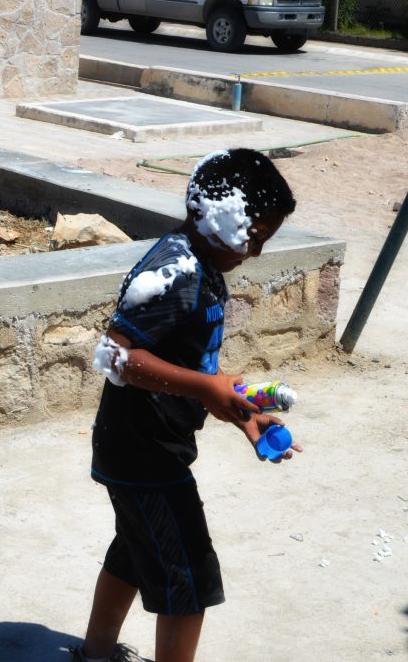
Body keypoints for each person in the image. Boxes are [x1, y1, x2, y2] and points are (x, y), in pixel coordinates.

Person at [71, 148, 303, 662]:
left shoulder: (198, 261)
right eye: (255, 237)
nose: (256, 252)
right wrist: (205, 389)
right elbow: (116, 355)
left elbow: (187, 363)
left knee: (134, 551)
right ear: (221, 217)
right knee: (188, 580)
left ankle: (94, 655)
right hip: (147, 456)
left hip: (141, 448)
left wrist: (238, 406)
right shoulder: (178, 273)